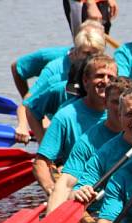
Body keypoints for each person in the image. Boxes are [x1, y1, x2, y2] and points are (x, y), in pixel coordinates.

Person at [46, 78, 132, 213]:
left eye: (125, 103)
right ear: (105, 103)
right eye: (115, 102)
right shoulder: (88, 141)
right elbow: (66, 184)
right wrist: (49, 221)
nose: (120, 109)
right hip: (100, 213)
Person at [33, 54, 117, 196]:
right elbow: (40, 163)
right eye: (100, 76)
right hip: (80, 191)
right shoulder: (65, 116)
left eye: (111, 78)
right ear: (85, 81)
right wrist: (52, 189)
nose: (106, 81)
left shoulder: (124, 112)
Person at [15, 22, 106, 143]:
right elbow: (27, 104)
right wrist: (24, 126)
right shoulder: (55, 72)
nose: (91, 59)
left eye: (95, 54)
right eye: (87, 53)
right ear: (76, 51)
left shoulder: (107, 71)